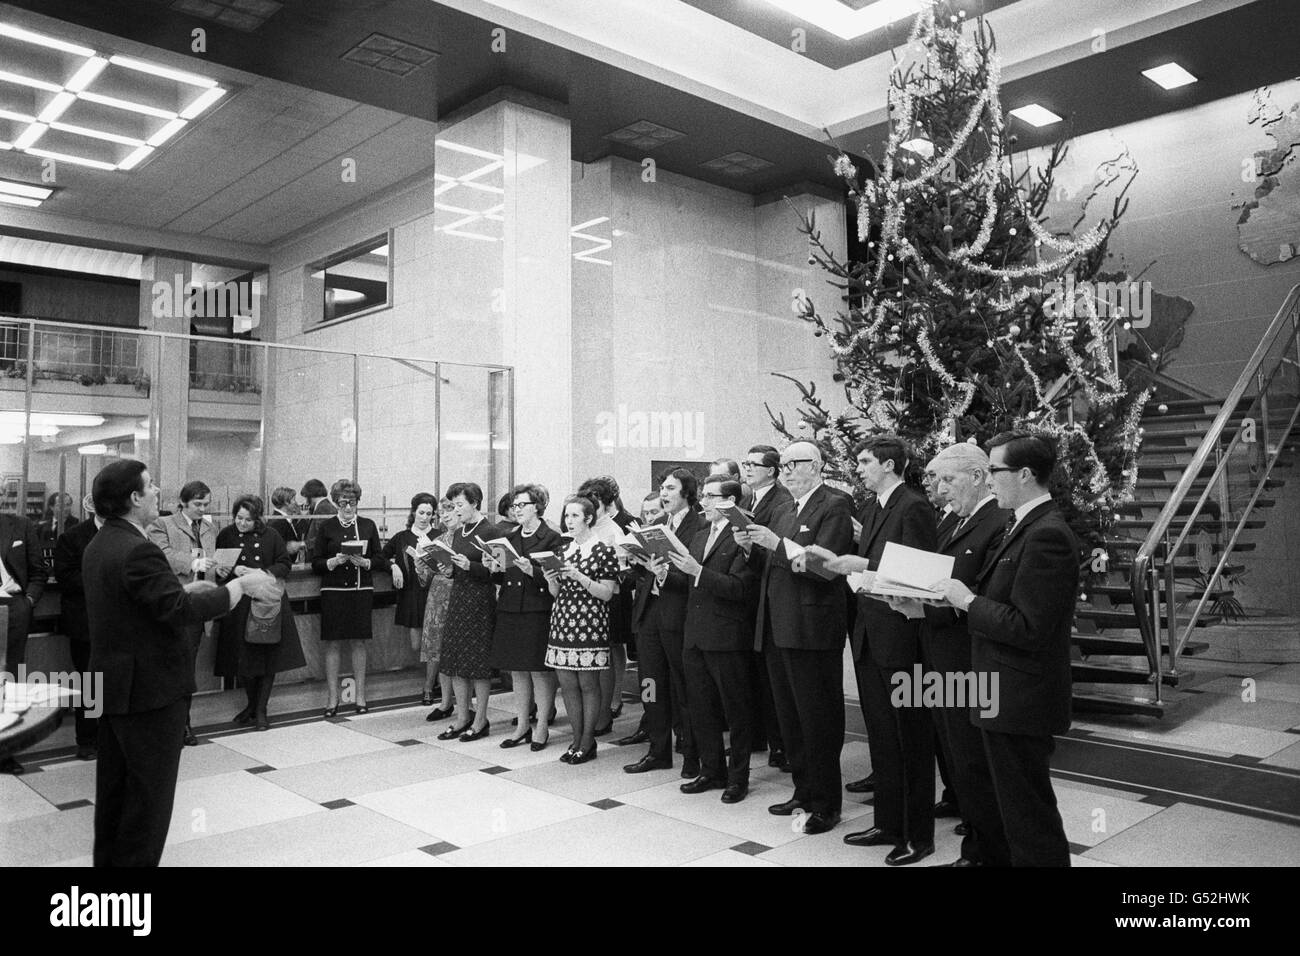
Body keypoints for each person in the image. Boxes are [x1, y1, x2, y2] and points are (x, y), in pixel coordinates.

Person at [84, 459, 278, 866]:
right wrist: (239, 586)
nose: (157, 492)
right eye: (151, 486)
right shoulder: (138, 549)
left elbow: (149, 604)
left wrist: (191, 591)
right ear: (134, 498)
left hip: (113, 689)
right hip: (149, 692)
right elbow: (176, 611)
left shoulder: (101, 544)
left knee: (116, 800)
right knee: (147, 807)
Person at [934, 431, 1079, 867]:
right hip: (1003, 690)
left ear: (1026, 474)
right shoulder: (1023, 523)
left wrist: (967, 601)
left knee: (1030, 817)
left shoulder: (1046, 534)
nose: (990, 479)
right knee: (1012, 809)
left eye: (995, 470)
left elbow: (1030, 627)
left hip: (1021, 697)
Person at [828, 435, 939, 866]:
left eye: (865, 460)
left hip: (902, 638)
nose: (859, 467)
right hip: (872, 634)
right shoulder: (874, 506)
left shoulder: (912, 506)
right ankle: (888, 822)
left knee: (910, 739)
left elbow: (918, 575)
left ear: (890, 465)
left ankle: (918, 835)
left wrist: (862, 568)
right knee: (883, 739)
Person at [736, 441, 853, 835]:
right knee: (790, 719)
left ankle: (825, 803)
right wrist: (754, 548)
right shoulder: (786, 509)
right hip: (777, 627)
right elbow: (776, 565)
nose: (785, 471)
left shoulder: (834, 505)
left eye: (793, 464)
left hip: (811, 630)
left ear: (817, 465)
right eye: (782, 465)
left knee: (817, 718)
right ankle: (803, 790)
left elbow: (827, 567)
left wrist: (777, 544)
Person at [914, 442, 1011, 867]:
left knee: (974, 760)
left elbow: (989, 596)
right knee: (956, 755)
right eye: (935, 480)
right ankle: (976, 839)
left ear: (977, 476)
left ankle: (984, 852)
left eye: (948, 479)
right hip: (941, 650)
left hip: (970, 658)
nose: (940, 489)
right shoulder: (954, 519)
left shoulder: (999, 522)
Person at [668, 474, 757, 803]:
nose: (702, 501)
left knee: (736, 710)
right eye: (702, 495)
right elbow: (689, 579)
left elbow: (740, 588)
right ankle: (711, 770)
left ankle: (738, 778)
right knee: (701, 707)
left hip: (727, 635)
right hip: (695, 633)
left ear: (729, 502)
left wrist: (698, 572)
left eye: (709, 496)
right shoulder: (701, 533)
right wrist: (666, 571)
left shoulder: (742, 537)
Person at [624, 468, 706, 777]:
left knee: (683, 687)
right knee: (650, 684)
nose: (664, 493)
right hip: (650, 614)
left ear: (687, 491)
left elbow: (693, 575)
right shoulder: (657, 525)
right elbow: (647, 570)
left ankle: (690, 751)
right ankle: (657, 749)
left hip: (679, 614)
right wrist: (638, 562)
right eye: (662, 488)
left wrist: (663, 573)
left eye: (670, 488)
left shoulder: (699, 526)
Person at [213, 495, 305, 730]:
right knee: (242, 659)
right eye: (238, 518)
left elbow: (284, 564)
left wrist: (259, 571)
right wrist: (228, 571)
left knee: (267, 659)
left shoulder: (271, 535)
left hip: (267, 601)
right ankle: (251, 705)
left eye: (247, 520)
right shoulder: (226, 535)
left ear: (258, 519)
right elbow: (219, 571)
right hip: (239, 602)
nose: (242, 524)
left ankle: (261, 709)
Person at [543, 494, 619, 764]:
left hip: (590, 620)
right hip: (563, 619)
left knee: (587, 682)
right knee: (567, 683)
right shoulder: (562, 551)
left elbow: (607, 593)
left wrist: (580, 576)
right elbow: (557, 593)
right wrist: (551, 580)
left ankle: (588, 740)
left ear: (588, 519)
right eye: (566, 516)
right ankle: (575, 739)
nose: (569, 520)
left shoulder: (603, 549)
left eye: (575, 516)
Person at [487, 483, 563, 750]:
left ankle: (541, 725)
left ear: (537, 507)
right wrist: (492, 567)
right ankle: (521, 725)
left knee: (539, 671)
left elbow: (557, 578)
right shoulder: (508, 536)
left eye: (522, 505)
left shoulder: (552, 537)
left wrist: (533, 571)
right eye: (515, 505)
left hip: (537, 609)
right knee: (517, 670)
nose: (516, 510)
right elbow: (502, 575)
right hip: (511, 608)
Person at [148, 479, 216, 748]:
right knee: (168, 668)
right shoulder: (163, 525)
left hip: (198, 606)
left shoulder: (210, 528)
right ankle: (169, 724)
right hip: (174, 603)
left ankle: (183, 723)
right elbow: (161, 553)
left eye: (206, 505)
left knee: (188, 668)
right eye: (198, 504)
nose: (202, 509)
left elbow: (211, 560)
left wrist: (217, 569)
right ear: (183, 503)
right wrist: (192, 562)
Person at [311, 479, 386, 716]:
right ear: (335, 503)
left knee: (358, 642)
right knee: (332, 642)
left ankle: (360, 697)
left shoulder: (367, 525)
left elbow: (380, 558)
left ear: (357, 503)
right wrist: (331, 562)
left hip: (360, 590)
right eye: (343, 502)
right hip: (333, 591)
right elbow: (316, 562)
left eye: (352, 502)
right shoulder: (326, 527)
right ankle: (332, 699)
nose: (347, 507)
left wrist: (367, 562)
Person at [741, 444, 794, 770]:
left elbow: (778, 551)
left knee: (776, 683)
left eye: (753, 464)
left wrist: (752, 548)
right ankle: (765, 739)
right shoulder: (748, 500)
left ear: (772, 470)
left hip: (769, 594)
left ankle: (782, 745)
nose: (746, 468)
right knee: (758, 678)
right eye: (744, 463)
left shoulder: (781, 501)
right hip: (749, 597)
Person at [435, 482, 498, 742]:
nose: (456, 510)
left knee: (478, 663)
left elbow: (498, 572)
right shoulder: (460, 532)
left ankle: (481, 718)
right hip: (459, 597)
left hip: (481, 601)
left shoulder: (491, 531)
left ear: (474, 503)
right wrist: (451, 569)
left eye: (460, 504)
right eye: (453, 505)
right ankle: (463, 716)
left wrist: (470, 566)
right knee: (457, 660)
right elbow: (458, 567)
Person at [576, 475, 635, 734]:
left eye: (594, 502)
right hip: (584, 599)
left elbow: (622, 570)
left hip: (609, 596)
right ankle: (593, 707)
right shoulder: (582, 528)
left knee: (608, 650)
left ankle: (608, 705)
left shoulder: (613, 530)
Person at [52, 494, 103, 760]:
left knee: (116, 681)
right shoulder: (72, 537)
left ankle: (111, 737)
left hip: (118, 622)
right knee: (90, 681)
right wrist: (102, 579)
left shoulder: (129, 534)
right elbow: (66, 577)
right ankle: (87, 740)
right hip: (85, 622)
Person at [0, 502, 48, 774]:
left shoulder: (20, 525)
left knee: (10, 681)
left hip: (12, 608)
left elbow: (38, 571)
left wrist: (28, 601)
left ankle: (6, 752)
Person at [381, 492, 439, 701]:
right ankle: (436, 679)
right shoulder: (402, 537)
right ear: (414, 512)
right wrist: (393, 565)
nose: (424, 517)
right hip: (411, 595)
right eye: (421, 512)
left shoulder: (439, 536)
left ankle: (428, 687)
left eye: (429, 514)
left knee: (432, 645)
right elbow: (381, 556)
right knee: (417, 644)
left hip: (435, 595)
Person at [422, 498, 463, 719]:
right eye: (441, 512)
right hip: (438, 594)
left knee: (458, 650)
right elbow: (427, 576)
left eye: (449, 510)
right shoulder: (437, 539)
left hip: (458, 592)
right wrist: (422, 567)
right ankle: (446, 702)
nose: (445, 515)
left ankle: (465, 702)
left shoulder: (465, 537)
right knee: (439, 649)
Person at [300, 477, 337, 561]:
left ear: (310, 496)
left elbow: (321, 537)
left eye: (306, 498)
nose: (306, 502)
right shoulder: (323, 507)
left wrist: (301, 544)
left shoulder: (322, 508)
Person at [267, 486, 306, 563]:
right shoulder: (277, 522)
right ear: (286, 502)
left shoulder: (286, 520)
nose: (296, 503)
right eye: (293, 500)